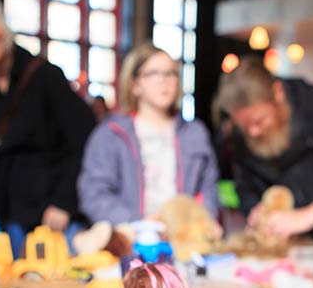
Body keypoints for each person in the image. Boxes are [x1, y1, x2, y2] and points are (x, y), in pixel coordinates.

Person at [0, 0, 96, 257]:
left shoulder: (45, 76)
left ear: (2, 22)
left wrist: (65, 202)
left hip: (55, 217)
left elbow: (87, 141)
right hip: (3, 225)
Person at [77, 42, 219, 227]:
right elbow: (94, 194)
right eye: (153, 73)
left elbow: (209, 190)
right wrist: (138, 223)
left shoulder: (195, 133)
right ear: (135, 84)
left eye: (170, 73)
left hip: (184, 238)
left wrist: (201, 222)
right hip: (131, 239)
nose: (164, 80)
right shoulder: (110, 134)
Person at [213, 56, 313, 239]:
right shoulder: (241, 131)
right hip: (281, 242)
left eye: (259, 121)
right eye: (245, 127)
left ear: (278, 93)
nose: (252, 132)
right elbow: (245, 185)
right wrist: (254, 210)